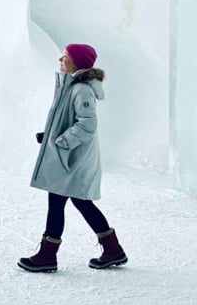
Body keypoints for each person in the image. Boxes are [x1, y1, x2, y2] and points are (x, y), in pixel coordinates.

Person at [18, 43, 127, 273]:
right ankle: (111, 249)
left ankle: (48, 255)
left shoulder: (81, 89)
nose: (60, 59)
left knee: (63, 203)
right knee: (76, 202)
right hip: (69, 159)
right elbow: (67, 119)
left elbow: (87, 124)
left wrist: (62, 142)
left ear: (77, 62)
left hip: (72, 160)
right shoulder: (71, 86)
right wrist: (49, 136)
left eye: (65, 56)